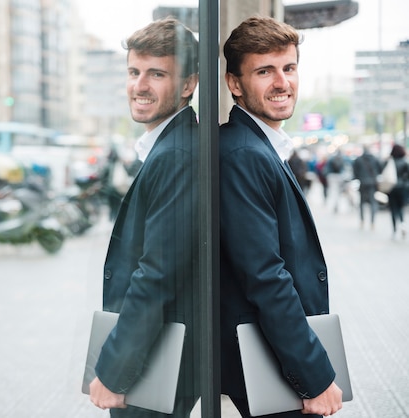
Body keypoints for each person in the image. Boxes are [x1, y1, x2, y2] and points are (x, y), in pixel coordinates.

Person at [219, 16, 343, 418]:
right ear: (235, 83)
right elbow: (265, 276)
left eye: (288, 68)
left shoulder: (259, 145)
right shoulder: (243, 154)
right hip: (269, 362)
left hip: (274, 355)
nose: (281, 82)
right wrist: (316, 376)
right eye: (264, 71)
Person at [89, 17, 201, 417]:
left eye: (157, 73)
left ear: (188, 84)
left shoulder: (177, 156)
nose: (140, 85)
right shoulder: (169, 146)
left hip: (158, 362)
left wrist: (114, 370)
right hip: (157, 354)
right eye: (134, 72)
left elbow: (157, 274)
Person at [352, 144, 382, 230]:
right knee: (373, 202)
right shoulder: (374, 159)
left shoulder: (358, 159)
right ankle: (372, 222)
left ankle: (362, 220)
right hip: (372, 183)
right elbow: (380, 169)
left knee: (362, 202)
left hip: (363, 182)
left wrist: (359, 178)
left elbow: (355, 172)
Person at [385, 143, 409, 239]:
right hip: (402, 188)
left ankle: (395, 230)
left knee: (393, 209)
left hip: (392, 187)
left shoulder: (390, 162)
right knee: (401, 208)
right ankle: (403, 224)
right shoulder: (405, 162)